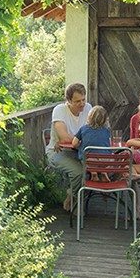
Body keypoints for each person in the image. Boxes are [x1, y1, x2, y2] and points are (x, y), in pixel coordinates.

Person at [46, 82, 93, 211]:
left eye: (83, 99)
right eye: (77, 101)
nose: (82, 104)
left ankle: (72, 196)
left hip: (79, 151)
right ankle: (76, 204)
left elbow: (95, 132)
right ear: (68, 101)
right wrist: (84, 141)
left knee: (94, 169)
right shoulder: (60, 110)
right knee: (79, 172)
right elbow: (64, 137)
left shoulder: (88, 108)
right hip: (58, 151)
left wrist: (79, 141)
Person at [72, 105, 112, 182]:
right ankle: (103, 172)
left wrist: (80, 146)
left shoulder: (83, 129)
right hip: (105, 160)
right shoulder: (107, 130)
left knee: (88, 157)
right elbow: (108, 145)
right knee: (102, 156)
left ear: (89, 117)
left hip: (90, 160)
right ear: (104, 119)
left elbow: (74, 143)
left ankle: (94, 173)